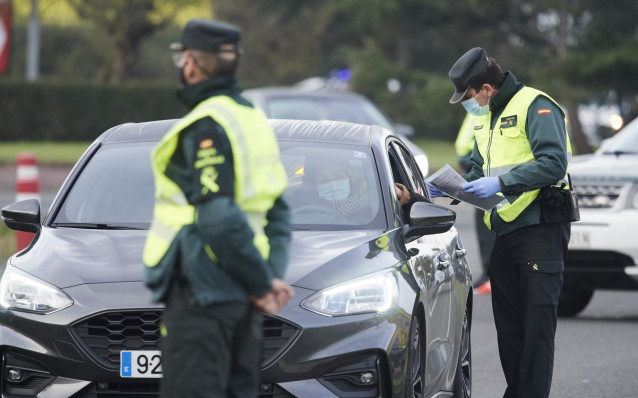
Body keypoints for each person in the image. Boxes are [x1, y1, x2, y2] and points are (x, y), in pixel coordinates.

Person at [142, 19, 294, 398]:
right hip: (242, 297)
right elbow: (278, 213)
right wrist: (265, 279)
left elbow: (217, 215)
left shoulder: (207, 125)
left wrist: (261, 284)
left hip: (202, 294)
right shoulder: (253, 120)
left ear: (190, 63)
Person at [441, 47, 573, 398]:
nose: (468, 104)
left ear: (485, 88)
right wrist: (440, 187)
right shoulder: (487, 116)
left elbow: (554, 162)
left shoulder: (536, 105)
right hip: (505, 230)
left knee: (536, 332)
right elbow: (479, 168)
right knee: (510, 331)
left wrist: (499, 183)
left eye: (468, 96)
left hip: (540, 228)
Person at [455, 113, 495, 289]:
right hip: (474, 164)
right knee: (482, 225)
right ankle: (487, 272)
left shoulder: (489, 107)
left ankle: (491, 274)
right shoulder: (477, 107)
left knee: (489, 227)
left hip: (489, 170)